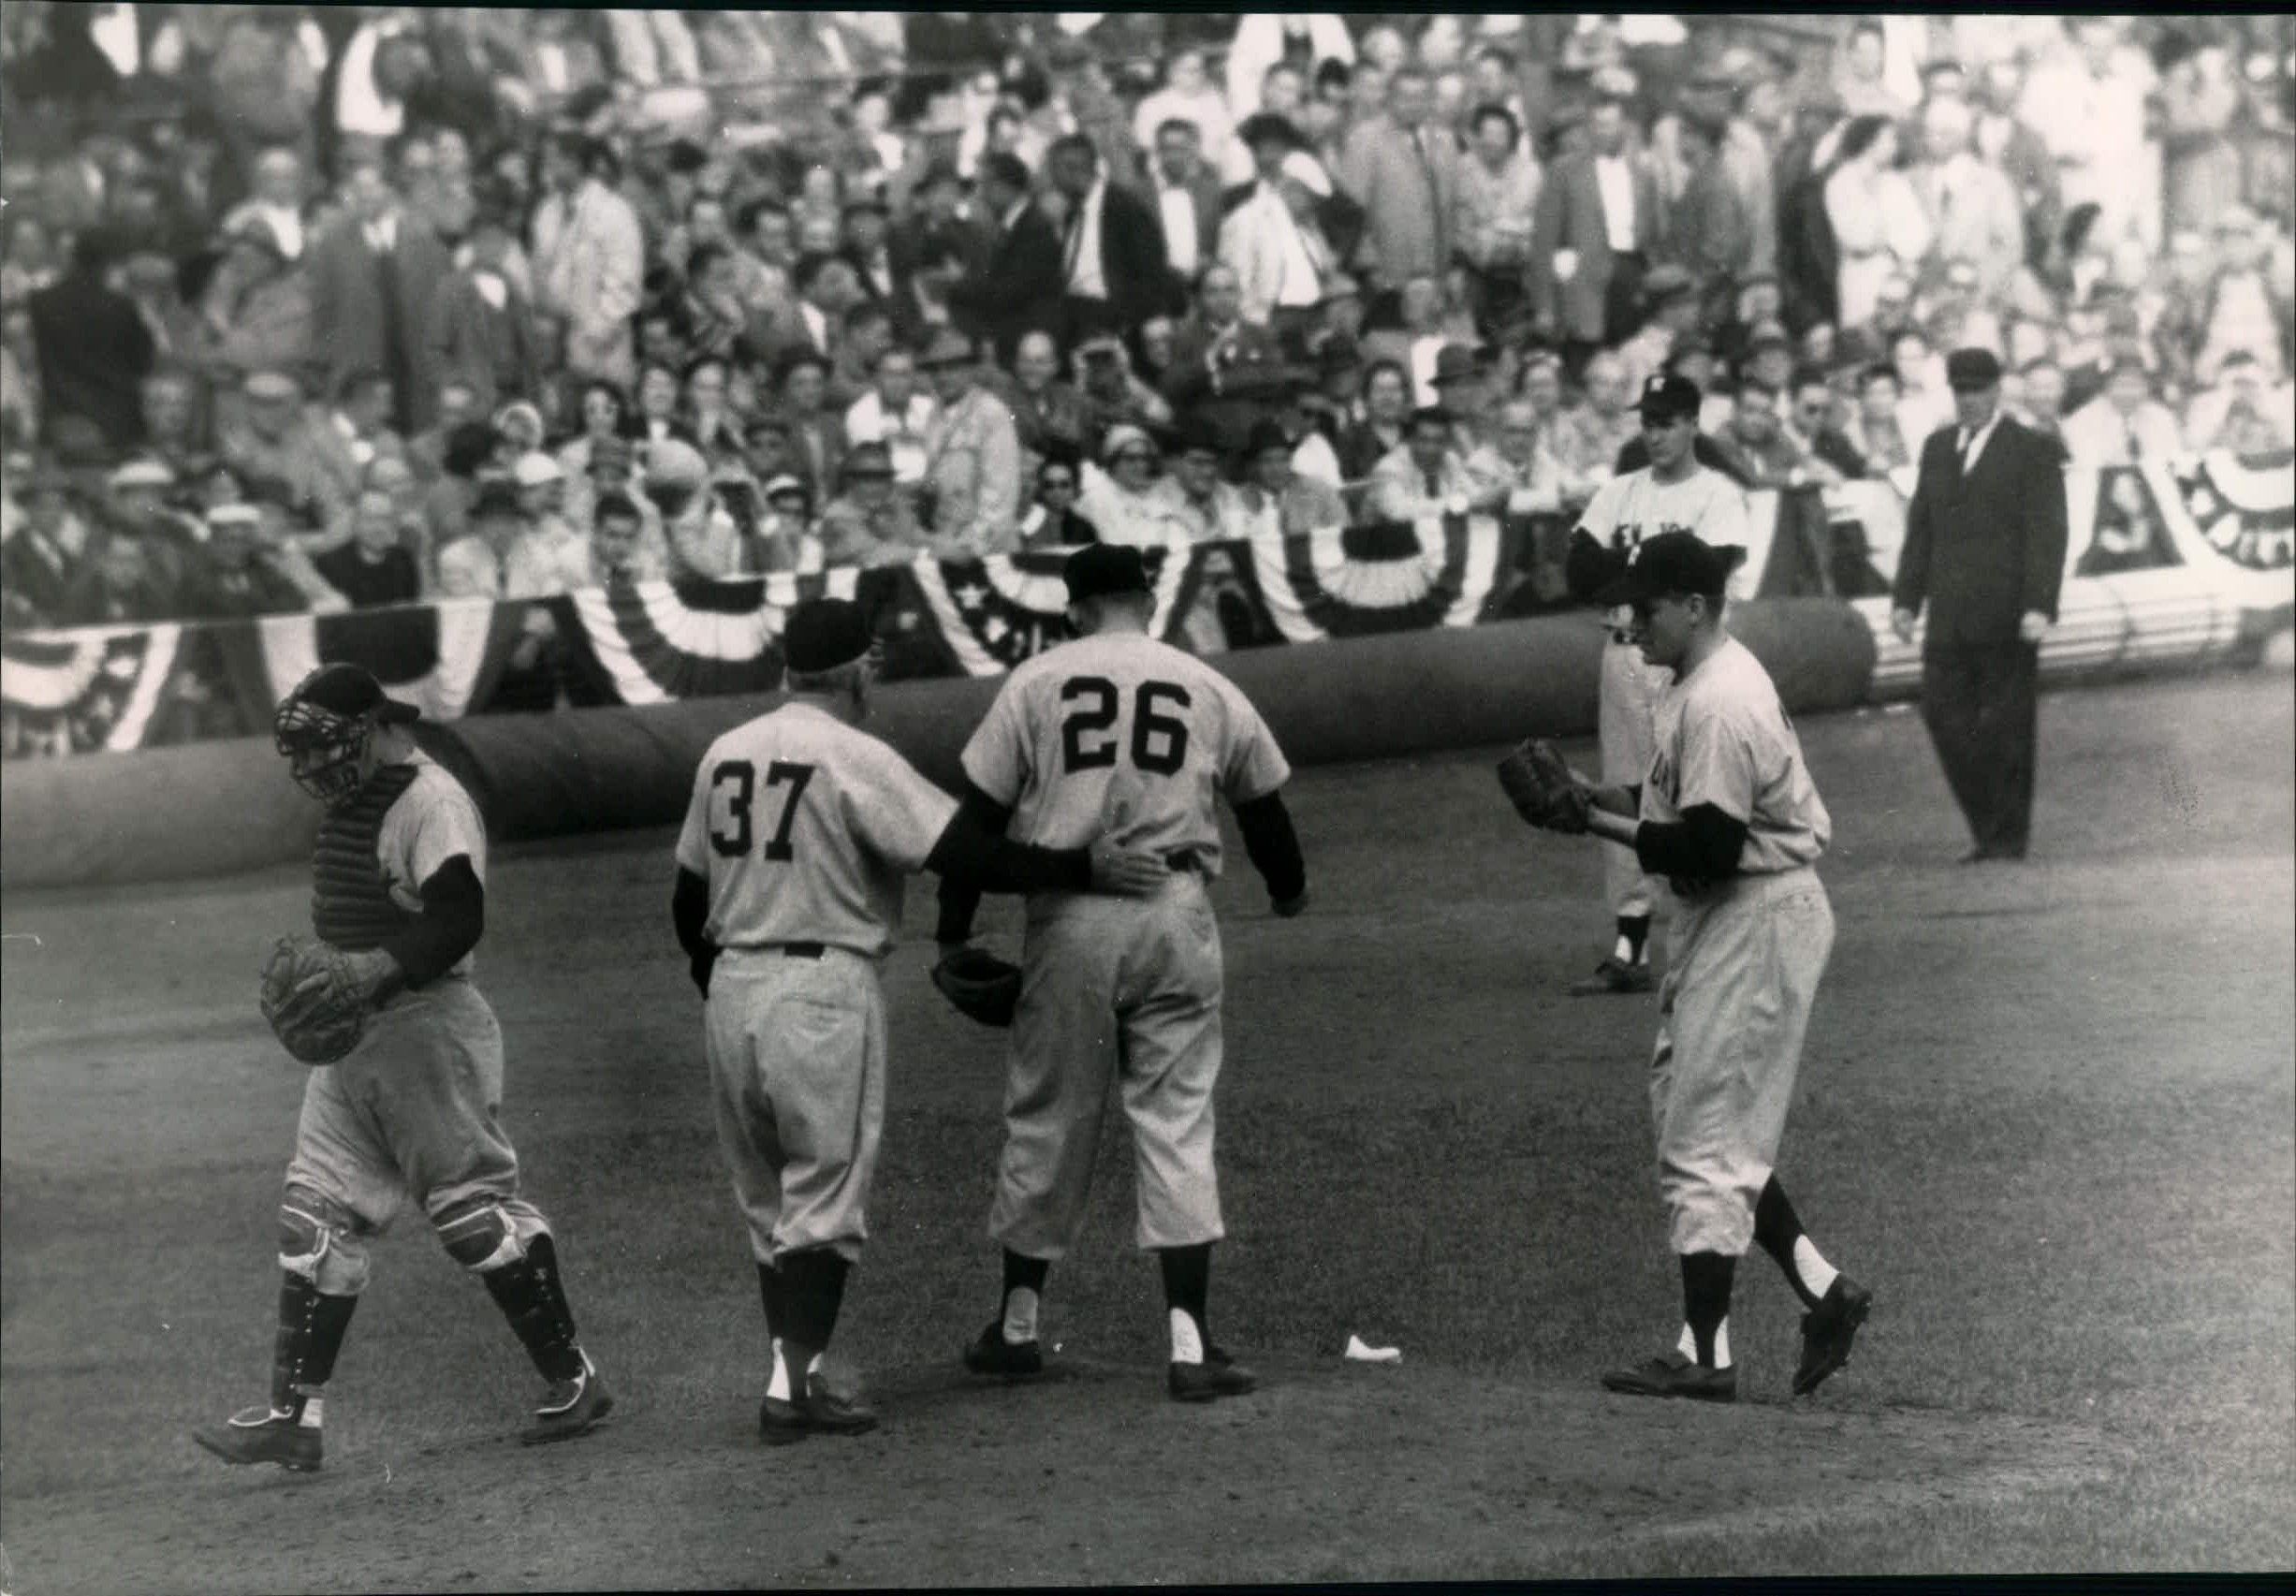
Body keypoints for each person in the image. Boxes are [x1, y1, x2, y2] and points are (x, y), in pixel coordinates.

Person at [669, 599, 1167, 1442]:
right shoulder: (853, 753)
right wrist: (1082, 863)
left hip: (733, 988)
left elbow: (687, 898)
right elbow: (965, 852)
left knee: (770, 1203)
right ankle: (793, 1388)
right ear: (857, 667)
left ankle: (797, 1372)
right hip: (821, 987)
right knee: (823, 1197)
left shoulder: (725, 751)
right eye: (873, 664)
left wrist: (717, 982)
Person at [193, 665, 613, 1472]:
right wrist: (348, 980)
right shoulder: (360, 798)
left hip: (428, 1031)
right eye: (303, 753)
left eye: (327, 746)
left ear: (378, 726)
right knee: (310, 1219)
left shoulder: (431, 800)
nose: (314, 768)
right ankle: (294, 1418)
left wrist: (370, 971)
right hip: (357, 1037)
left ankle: (575, 1376)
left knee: (470, 1216)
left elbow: (459, 919)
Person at [935, 544, 1309, 1401]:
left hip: (1070, 920)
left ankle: (1018, 1328)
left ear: (1072, 608)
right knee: (1176, 1117)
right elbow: (1264, 806)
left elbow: (975, 820)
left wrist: (952, 934)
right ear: (1148, 597)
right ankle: (1188, 1341)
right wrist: (1287, 891)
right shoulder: (1200, 679)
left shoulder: (1034, 681)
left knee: (1048, 1115)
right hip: (1175, 908)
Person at [1544, 531, 1871, 1403]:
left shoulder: (1721, 698)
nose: (1629, 622)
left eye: (1644, 607)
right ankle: (1823, 1292)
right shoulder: (1691, 683)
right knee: (1695, 1124)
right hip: (1727, 916)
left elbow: (1713, 843)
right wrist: (1592, 795)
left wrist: (1595, 824)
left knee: (1705, 1137)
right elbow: (1674, 807)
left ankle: (1705, 1353)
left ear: (1693, 606)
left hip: (1754, 912)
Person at [1564, 375, 1753, 998]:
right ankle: (1629, 942)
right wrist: (1644, 579)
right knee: (1624, 786)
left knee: (1699, 786)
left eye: (1668, 420)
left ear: (1693, 423)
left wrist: (1627, 585)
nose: (1655, 432)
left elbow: (1710, 571)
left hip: (1689, 664)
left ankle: (1721, 932)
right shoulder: (1620, 490)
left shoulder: (1716, 492)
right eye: (1647, 420)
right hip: (1623, 658)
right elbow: (1578, 565)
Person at [1890, 349, 2070, 864]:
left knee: (2008, 726)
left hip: (2009, 614)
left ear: (1997, 390)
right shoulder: (1937, 448)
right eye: (1961, 390)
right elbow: (1921, 529)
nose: (1969, 399)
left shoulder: (2032, 449)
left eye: (1977, 389)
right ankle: (1988, 825)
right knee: (1944, 717)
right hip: (1948, 616)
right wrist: (1906, 600)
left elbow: (2048, 533)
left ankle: (2006, 838)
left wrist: (2039, 604)